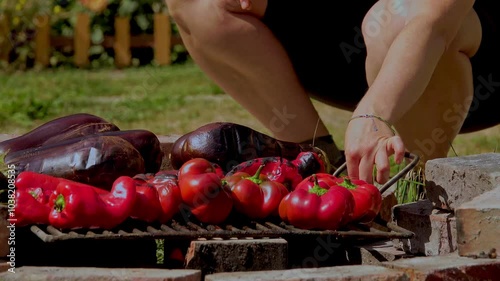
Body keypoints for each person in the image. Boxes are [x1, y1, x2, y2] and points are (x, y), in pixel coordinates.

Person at [164, 0, 500, 184]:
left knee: (394, 15)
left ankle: (425, 186)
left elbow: (434, 20)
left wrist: (372, 113)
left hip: (470, 59)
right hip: (348, 49)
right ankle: (318, 162)